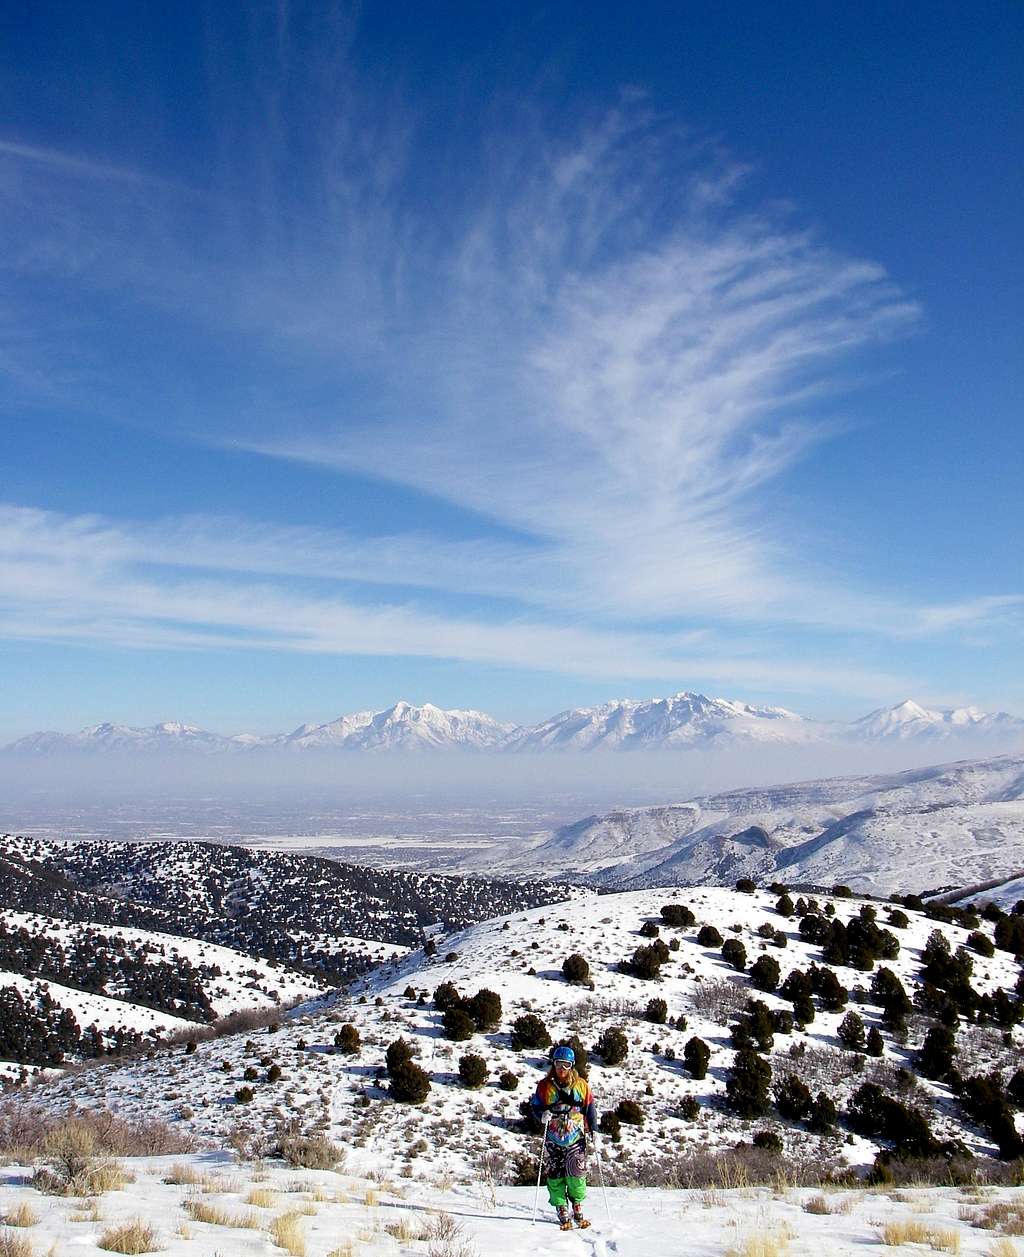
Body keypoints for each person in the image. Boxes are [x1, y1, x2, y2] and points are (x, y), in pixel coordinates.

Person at [529, 1045, 598, 1230]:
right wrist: (541, 1115)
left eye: (566, 1064)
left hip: (576, 1138)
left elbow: (590, 1108)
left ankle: (577, 1206)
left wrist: (594, 1129)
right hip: (553, 1138)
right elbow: (535, 1106)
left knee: (576, 1175)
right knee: (555, 1175)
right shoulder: (544, 1086)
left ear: (572, 1065)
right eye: (559, 1063)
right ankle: (561, 1208)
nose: (562, 1068)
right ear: (554, 1064)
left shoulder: (581, 1085)